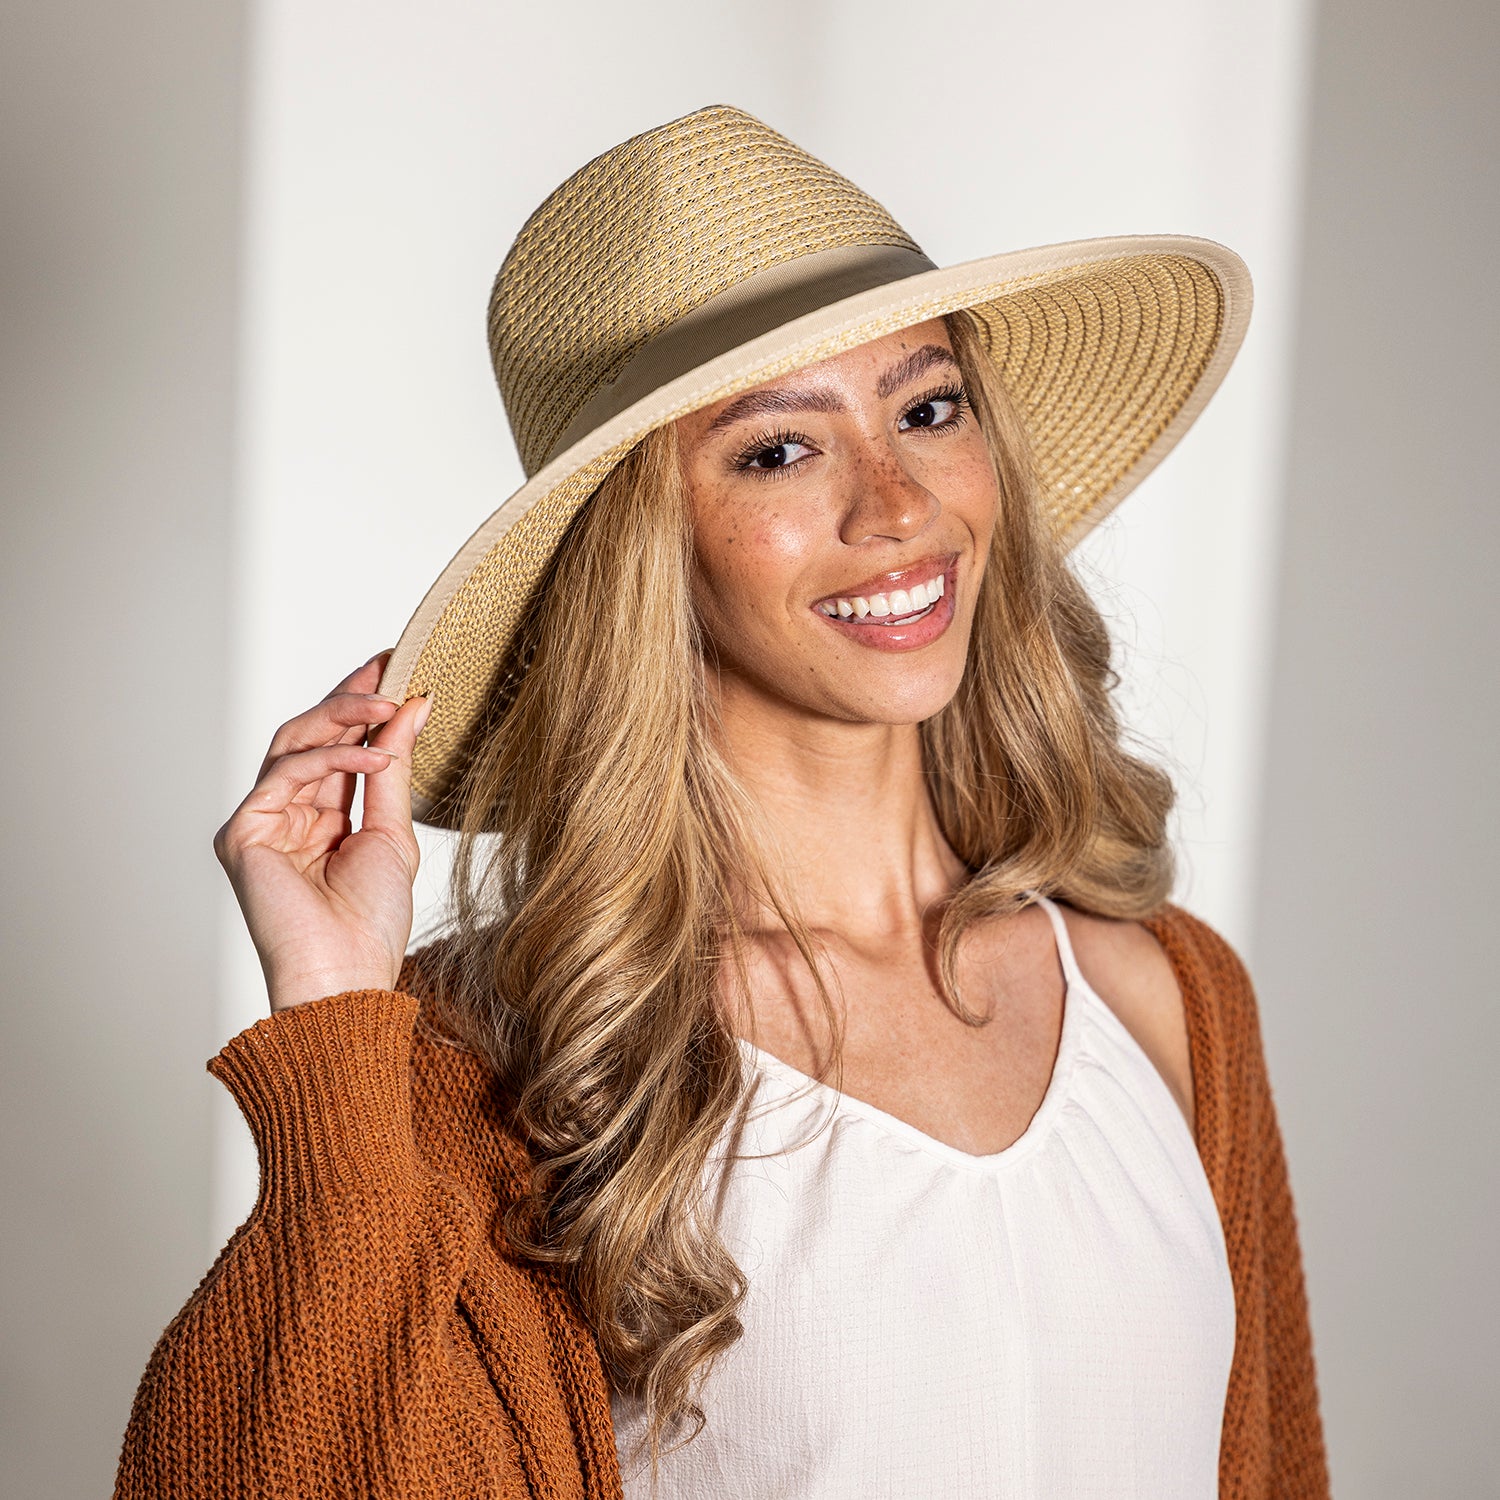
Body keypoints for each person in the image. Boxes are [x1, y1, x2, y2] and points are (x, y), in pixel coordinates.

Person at [114, 105, 1329, 1498]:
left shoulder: (1167, 994)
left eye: (928, 409)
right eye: (778, 450)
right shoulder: (518, 1065)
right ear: (648, 549)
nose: (898, 507)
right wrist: (335, 1025)